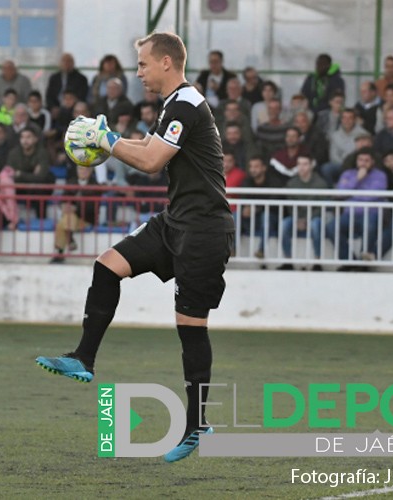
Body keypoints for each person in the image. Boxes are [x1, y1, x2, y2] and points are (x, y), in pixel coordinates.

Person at [36, 32, 234, 463]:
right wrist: (109, 135)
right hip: (176, 221)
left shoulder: (186, 104)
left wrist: (105, 142)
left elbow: (150, 161)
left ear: (166, 62)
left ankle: (197, 424)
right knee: (107, 266)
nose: (138, 72)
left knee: (190, 327)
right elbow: (146, 146)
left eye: (143, 64)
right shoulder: (174, 105)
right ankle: (84, 359)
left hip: (203, 230)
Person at [325, 148, 387, 266]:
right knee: (331, 227)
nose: (363, 163)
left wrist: (352, 194)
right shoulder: (348, 174)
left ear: (372, 162)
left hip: (370, 212)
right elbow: (340, 193)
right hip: (349, 213)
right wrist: (357, 179)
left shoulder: (380, 175)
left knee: (369, 226)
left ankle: (364, 261)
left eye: (366, 160)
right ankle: (348, 261)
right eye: (360, 160)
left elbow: (374, 195)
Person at [279, 154, 328, 270]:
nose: (302, 167)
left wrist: (306, 220)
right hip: (296, 218)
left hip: (313, 218)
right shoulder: (292, 183)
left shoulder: (321, 183)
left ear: (311, 165)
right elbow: (290, 206)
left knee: (315, 225)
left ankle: (317, 261)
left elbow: (321, 207)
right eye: (299, 164)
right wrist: (297, 219)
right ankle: (288, 260)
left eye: (305, 164)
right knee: (284, 224)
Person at [51, 165, 101, 264]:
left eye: (85, 169)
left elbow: (92, 208)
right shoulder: (71, 182)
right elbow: (63, 199)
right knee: (65, 219)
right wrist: (64, 206)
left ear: (90, 171)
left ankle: (60, 252)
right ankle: (70, 240)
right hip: (71, 217)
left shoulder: (95, 186)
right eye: (80, 169)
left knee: (65, 221)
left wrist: (75, 208)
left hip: (86, 219)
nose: (83, 172)